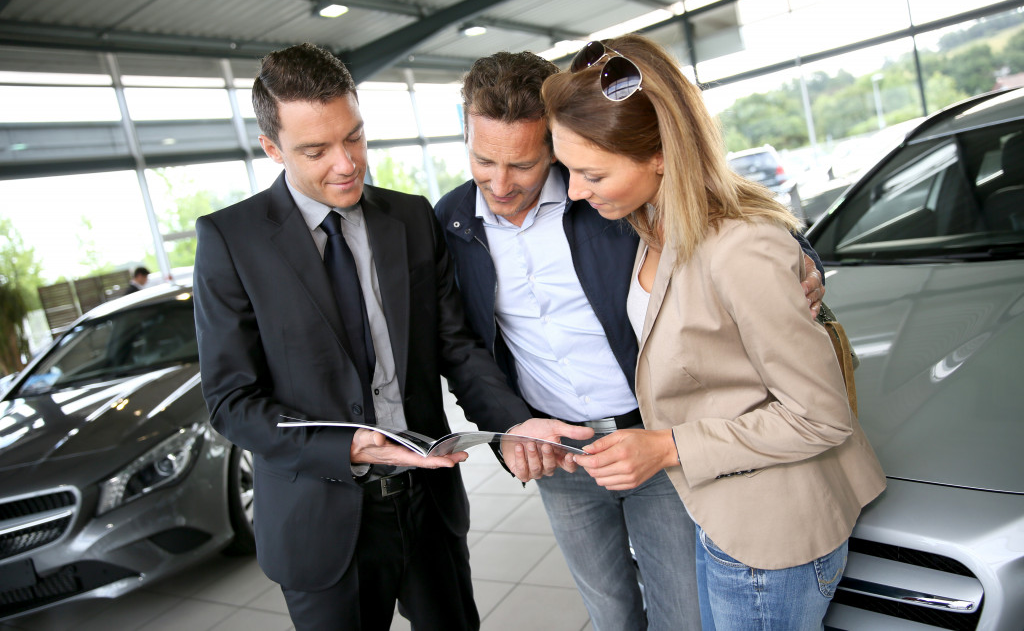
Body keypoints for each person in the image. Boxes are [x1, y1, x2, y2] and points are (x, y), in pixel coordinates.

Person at [192, 43, 591, 631]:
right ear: (272, 149)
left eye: (353, 137)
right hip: (321, 519)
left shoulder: (408, 218)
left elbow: (455, 346)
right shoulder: (231, 241)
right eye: (316, 150)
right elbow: (231, 404)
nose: (347, 163)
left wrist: (513, 423)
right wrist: (349, 447)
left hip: (428, 504)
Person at [434, 51, 827, 630]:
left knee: (684, 612)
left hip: (653, 430)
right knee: (609, 612)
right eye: (482, 159)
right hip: (559, 452)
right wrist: (510, 428)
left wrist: (803, 262)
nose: (499, 183)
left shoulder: (605, 188)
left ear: (557, 139)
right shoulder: (449, 223)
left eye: (522, 164)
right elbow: (461, 345)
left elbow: (713, 206)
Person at [542, 34, 886, 630]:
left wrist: (667, 447)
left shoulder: (740, 249)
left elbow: (820, 417)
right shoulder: (652, 225)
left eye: (590, 172)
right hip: (721, 513)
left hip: (770, 538)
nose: (573, 190)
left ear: (660, 155)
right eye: (567, 169)